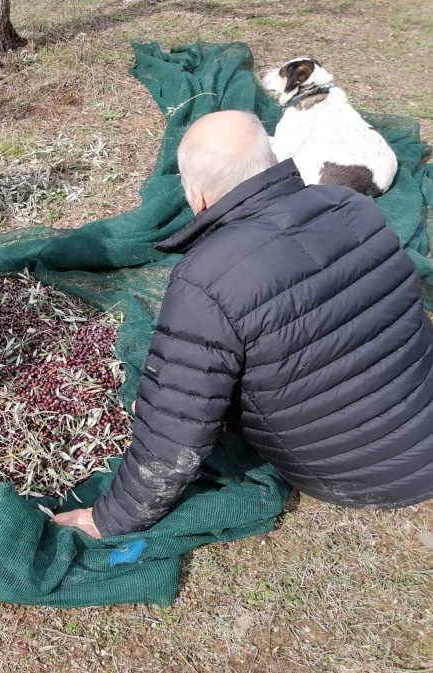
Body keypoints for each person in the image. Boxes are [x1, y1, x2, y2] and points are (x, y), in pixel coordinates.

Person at [54, 110, 433, 539]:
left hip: (355, 473)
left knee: (177, 385)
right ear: (272, 159)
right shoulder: (349, 204)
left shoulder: (204, 279)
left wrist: (109, 518)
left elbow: (175, 433)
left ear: (196, 195)